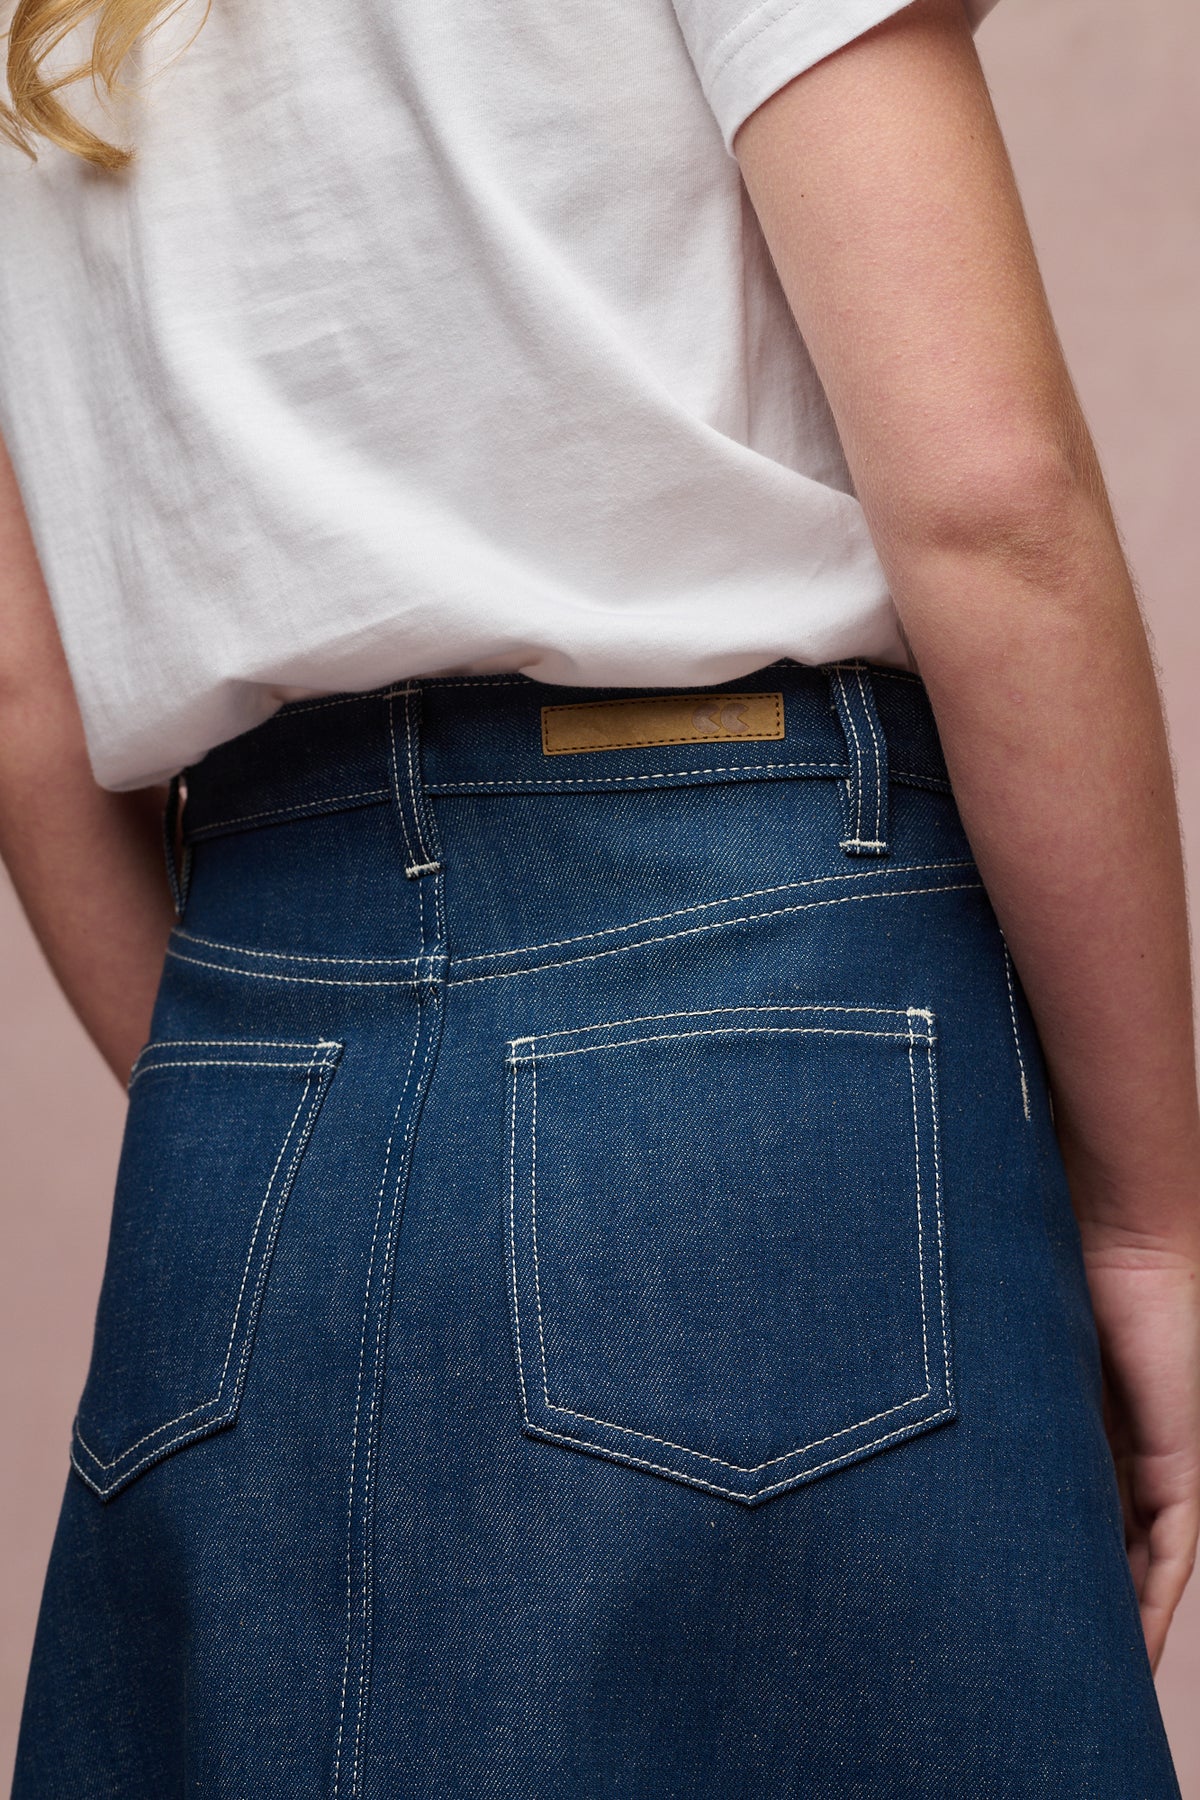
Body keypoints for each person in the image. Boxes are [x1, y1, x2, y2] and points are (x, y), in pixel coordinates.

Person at [1, 0, 1196, 1790]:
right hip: (769, 1018)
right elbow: (992, 508)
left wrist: (274, 1109)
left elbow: (23, 710)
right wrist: (1152, 1225)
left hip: (249, 1083)